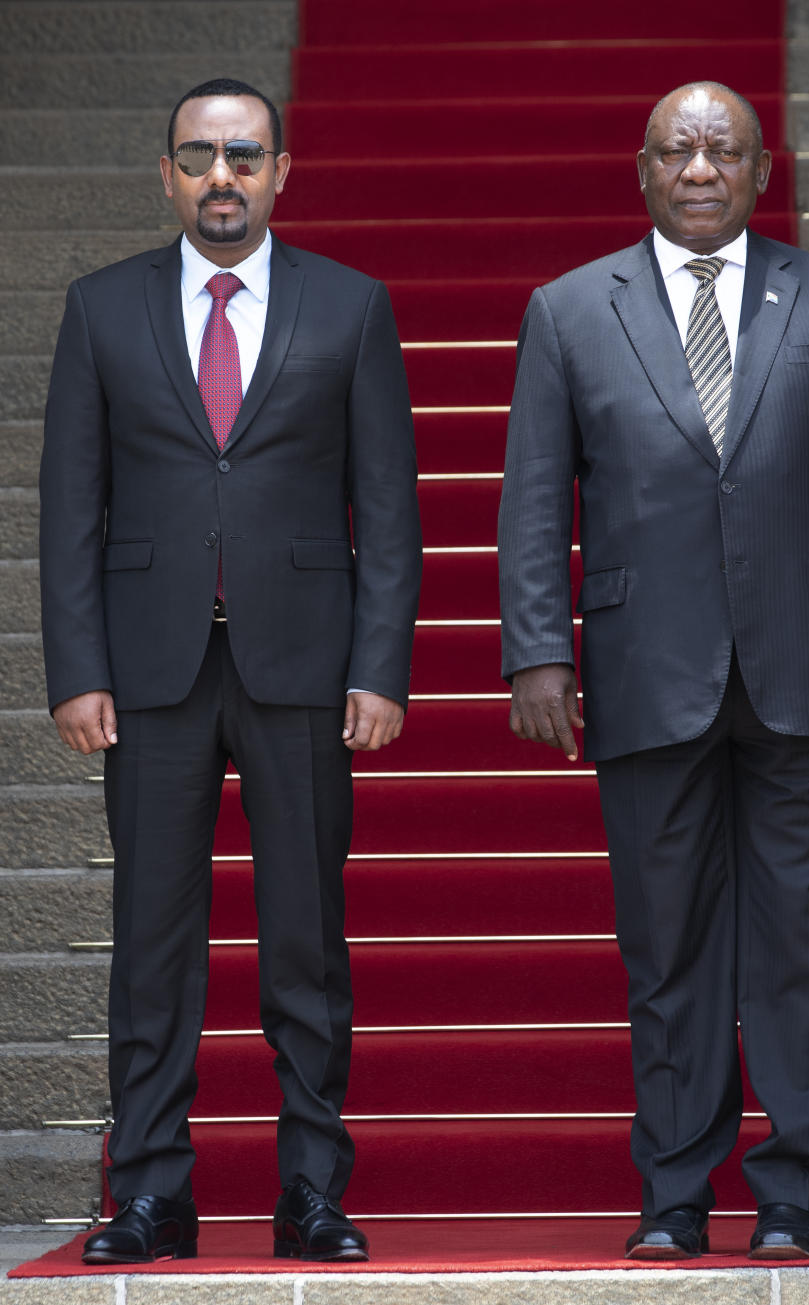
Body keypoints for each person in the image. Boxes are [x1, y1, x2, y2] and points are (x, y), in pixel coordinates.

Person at [498, 81, 809, 1261]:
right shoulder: (570, 309)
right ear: (642, 169)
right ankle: (675, 1193)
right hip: (647, 668)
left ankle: (795, 1191)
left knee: (806, 939)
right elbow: (537, 498)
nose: (701, 169)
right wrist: (537, 649)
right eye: (679, 151)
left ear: (760, 172)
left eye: (723, 150)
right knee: (671, 944)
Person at [39, 78, 421, 1265]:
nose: (221, 176)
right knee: (152, 942)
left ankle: (312, 1189)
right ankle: (150, 1194)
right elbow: (67, 509)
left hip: (305, 664)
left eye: (242, 156)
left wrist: (380, 666)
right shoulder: (100, 310)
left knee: (306, 940)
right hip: (147, 672)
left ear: (280, 171)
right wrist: (75, 668)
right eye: (198, 156)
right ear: (166, 174)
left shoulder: (351, 307)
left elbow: (390, 511)